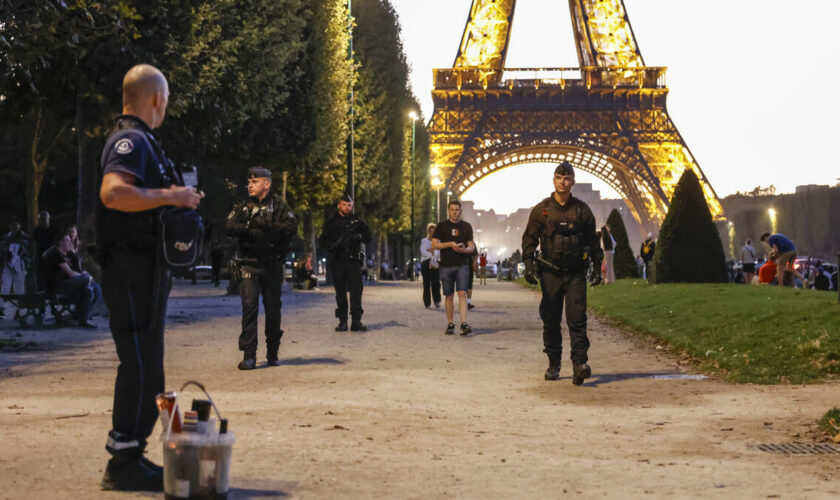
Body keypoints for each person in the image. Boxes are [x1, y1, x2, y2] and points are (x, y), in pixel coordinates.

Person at [97, 64, 204, 491]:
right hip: (129, 268)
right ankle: (123, 461)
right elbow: (113, 192)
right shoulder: (131, 140)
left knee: (147, 362)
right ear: (156, 99)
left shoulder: (145, 142)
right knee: (139, 363)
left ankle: (130, 454)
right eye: (166, 101)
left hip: (142, 268)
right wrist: (174, 196)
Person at [521, 162, 603, 385]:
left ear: (572, 181)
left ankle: (579, 364)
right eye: (559, 178)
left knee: (577, 319)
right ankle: (554, 363)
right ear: (554, 180)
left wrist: (597, 269)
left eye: (567, 179)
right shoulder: (542, 210)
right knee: (551, 320)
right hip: (550, 273)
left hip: (575, 273)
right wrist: (529, 265)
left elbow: (594, 242)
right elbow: (529, 239)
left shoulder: (582, 211)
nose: (562, 182)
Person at [225, 166, 297, 370]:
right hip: (249, 263)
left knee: (273, 310)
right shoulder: (243, 206)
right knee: (249, 308)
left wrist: (267, 227)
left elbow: (292, 227)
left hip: (272, 264)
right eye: (249, 182)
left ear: (267, 184)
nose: (249, 185)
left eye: (254, 181)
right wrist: (249, 228)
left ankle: (272, 352)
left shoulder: (280, 206)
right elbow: (229, 226)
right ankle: (249, 355)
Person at [319, 194, 371, 332]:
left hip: (354, 260)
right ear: (339, 205)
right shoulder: (331, 222)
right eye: (344, 205)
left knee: (356, 290)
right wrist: (334, 245)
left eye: (349, 205)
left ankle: (356, 321)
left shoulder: (358, 222)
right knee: (340, 292)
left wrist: (358, 236)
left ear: (352, 206)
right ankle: (342, 321)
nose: (347, 207)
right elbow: (322, 241)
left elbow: (368, 237)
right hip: (338, 260)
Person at [431, 200, 475, 336]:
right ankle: (450, 323)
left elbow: (471, 245)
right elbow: (434, 245)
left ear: (461, 211)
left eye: (457, 210)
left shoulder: (467, 226)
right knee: (449, 296)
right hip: (446, 265)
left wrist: (467, 250)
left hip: (462, 264)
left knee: (462, 294)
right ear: (448, 211)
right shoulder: (441, 226)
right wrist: (450, 244)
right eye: (452, 209)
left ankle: (463, 322)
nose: (455, 212)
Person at [42, 234, 101, 327]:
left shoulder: (69, 254)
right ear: (60, 243)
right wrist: (85, 276)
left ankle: (81, 318)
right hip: (56, 286)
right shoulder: (55, 254)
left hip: (69, 284)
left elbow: (77, 270)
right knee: (86, 280)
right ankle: (78, 316)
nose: (70, 243)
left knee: (95, 290)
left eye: (70, 241)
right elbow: (70, 273)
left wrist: (82, 272)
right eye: (68, 241)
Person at [0, 219, 29, 318]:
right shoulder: (5, 237)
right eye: (12, 225)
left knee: (19, 287)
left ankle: (19, 310)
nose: (14, 227)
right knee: (5, 286)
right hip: (7, 265)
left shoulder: (24, 237)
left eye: (16, 225)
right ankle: (1, 308)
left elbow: (27, 251)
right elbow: (2, 252)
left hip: (19, 265)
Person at [419, 223, 441, 309]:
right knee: (426, 283)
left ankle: (437, 301)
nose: (432, 233)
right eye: (430, 231)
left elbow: (438, 253)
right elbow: (423, 252)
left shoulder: (438, 242)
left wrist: (432, 252)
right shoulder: (424, 241)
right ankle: (427, 303)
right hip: (425, 264)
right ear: (428, 232)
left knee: (436, 282)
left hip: (435, 263)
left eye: (434, 232)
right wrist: (432, 253)